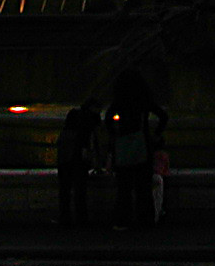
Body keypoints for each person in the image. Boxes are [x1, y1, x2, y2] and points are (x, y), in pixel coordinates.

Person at [106, 70, 167, 229]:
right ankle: (145, 220)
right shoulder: (144, 100)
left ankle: (123, 220)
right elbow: (163, 116)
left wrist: (115, 133)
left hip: (123, 145)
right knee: (144, 187)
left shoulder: (119, 101)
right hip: (143, 145)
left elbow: (107, 119)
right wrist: (156, 134)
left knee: (124, 187)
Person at [55, 97, 103, 228]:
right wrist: (97, 162)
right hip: (78, 157)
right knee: (80, 190)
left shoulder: (73, 114)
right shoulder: (93, 118)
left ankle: (65, 218)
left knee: (65, 189)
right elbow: (95, 140)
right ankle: (81, 219)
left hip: (65, 156)